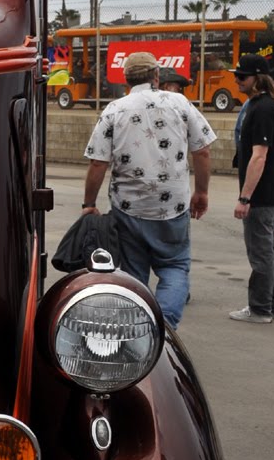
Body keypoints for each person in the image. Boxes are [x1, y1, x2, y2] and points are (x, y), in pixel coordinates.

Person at [81, 50, 215, 330]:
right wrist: (201, 192)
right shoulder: (180, 103)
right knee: (175, 267)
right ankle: (165, 329)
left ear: (126, 78)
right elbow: (202, 151)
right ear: (156, 76)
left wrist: (88, 203)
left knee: (132, 273)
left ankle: (139, 331)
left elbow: (97, 162)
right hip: (173, 207)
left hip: (129, 207)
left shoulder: (114, 109)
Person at [229, 54, 274, 323]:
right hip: (272, 193)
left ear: (257, 79)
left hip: (262, 197)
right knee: (270, 250)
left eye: (242, 76)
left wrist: (245, 197)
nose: (237, 80)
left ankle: (260, 308)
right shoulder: (264, 105)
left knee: (261, 252)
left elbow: (259, 156)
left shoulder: (262, 108)